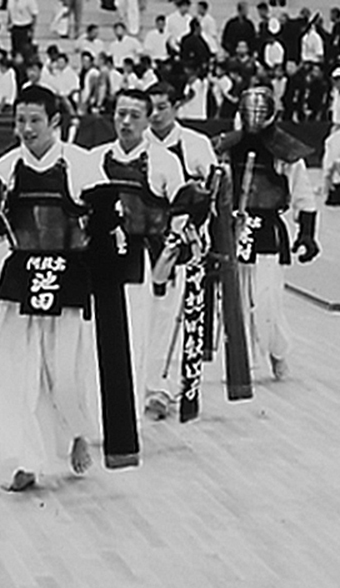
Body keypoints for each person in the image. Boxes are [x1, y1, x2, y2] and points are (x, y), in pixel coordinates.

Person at [0, 85, 104, 492]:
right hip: (21, 277)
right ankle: (26, 461)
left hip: (69, 276)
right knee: (15, 372)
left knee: (64, 371)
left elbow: (102, 229)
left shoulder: (82, 166)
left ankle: (79, 432)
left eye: (34, 121)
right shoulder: (3, 169)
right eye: (20, 120)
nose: (26, 129)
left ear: (55, 123)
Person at [87, 89, 186, 461]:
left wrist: (173, 255)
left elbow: (183, 212)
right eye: (120, 113)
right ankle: (96, 418)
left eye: (134, 115)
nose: (125, 121)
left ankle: (129, 421)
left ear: (148, 120)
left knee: (136, 340)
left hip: (142, 259)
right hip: (102, 257)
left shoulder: (164, 162)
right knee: (96, 340)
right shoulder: (96, 159)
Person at [213, 86, 320, 380]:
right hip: (231, 230)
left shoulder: (285, 154)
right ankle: (240, 363)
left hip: (267, 233)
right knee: (234, 302)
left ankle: (278, 351)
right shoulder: (225, 149)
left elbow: (303, 195)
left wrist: (307, 233)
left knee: (266, 300)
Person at [140, 81, 216, 418]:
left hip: (184, 246)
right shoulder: (137, 146)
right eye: (150, 108)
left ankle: (161, 389)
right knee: (147, 316)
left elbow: (213, 196)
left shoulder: (196, 145)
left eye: (162, 107)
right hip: (145, 243)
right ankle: (144, 383)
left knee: (172, 317)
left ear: (176, 107)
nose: (155, 115)